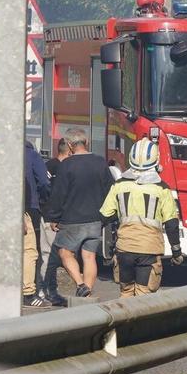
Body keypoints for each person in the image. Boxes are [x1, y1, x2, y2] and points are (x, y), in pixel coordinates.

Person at [99, 139, 183, 298]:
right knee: (144, 295)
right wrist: (176, 251)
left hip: (124, 249)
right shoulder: (162, 189)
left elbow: (105, 216)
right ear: (156, 160)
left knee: (126, 293)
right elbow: (171, 224)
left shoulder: (119, 185)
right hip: (149, 251)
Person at [44, 128, 113, 298]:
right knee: (89, 256)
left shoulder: (66, 165)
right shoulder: (100, 162)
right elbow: (110, 191)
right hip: (95, 219)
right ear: (86, 142)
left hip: (72, 220)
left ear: (69, 145)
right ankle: (86, 296)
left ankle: (81, 284)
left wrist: (53, 217)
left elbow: (59, 194)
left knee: (64, 252)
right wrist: (106, 217)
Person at [0, 140, 50, 305]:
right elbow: (43, 182)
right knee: (29, 251)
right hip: (26, 208)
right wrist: (42, 201)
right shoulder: (31, 155)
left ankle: (1, 291)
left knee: (4, 250)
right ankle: (28, 294)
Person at [36, 139, 71, 306]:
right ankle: (45, 290)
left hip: (47, 215)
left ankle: (49, 290)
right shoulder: (60, 168)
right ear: (69, 151)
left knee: (49, 255)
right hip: (51, 218)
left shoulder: (48, 166)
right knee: (49, 254)